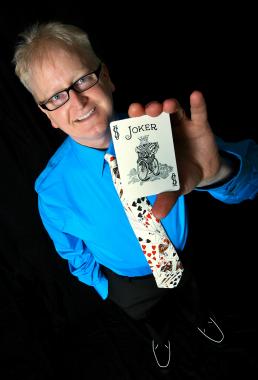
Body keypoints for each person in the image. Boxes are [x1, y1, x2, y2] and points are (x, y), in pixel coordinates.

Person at [13, 21, 258, 371]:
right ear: (47, 114)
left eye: (82, 79)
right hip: (128, 282)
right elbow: (71, 252)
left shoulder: (165, 131)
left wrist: (217, 173)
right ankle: (159, 336)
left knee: (196, 296)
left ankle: (202, 319)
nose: (78, 101)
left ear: (106, 77)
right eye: (56, 96)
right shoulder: (51, 193)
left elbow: (251, 183)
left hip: (187, 252)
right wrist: (106, 287)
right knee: (151, 318)